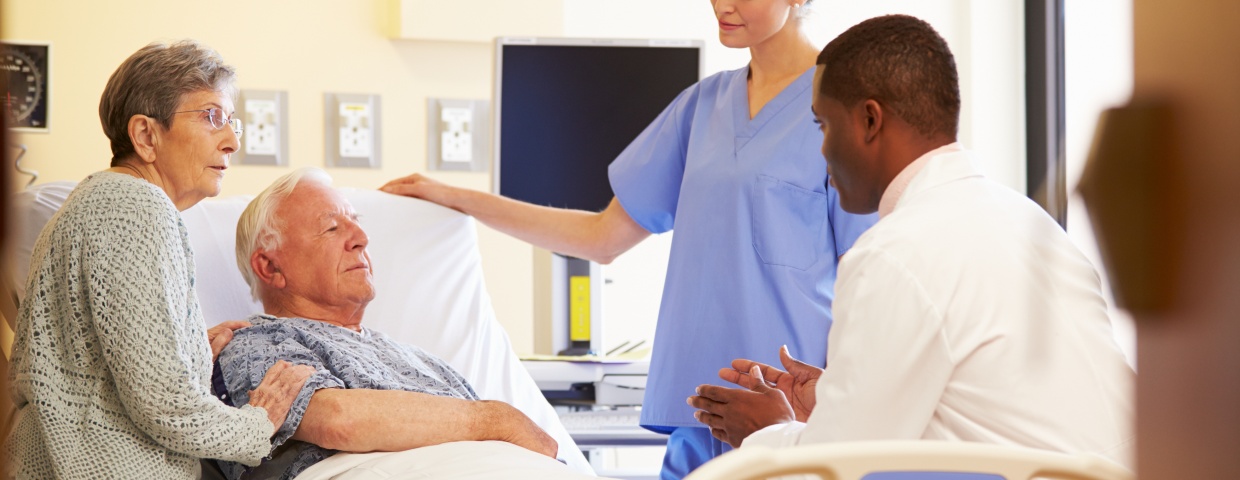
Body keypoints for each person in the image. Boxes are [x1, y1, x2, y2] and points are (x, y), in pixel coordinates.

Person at [380, 1, 877, 476]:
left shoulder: (842, 110)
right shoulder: (701, 107)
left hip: (789, 410)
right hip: (699, 404)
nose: (721, 5)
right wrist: (458, 199)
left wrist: (838, 397)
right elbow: (604, 236)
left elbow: (868, 275)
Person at [686, 14, 1136, 469]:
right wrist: (838, 395)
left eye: (822, 126)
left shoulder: (892, 253)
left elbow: (834, 467)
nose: (820, 151)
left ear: (868, 120)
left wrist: (768, 433)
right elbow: (989, 401)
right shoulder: (1026, 221)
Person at [4, 41, 314, 478]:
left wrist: (188, 353)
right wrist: (257, 425)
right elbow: (166, 406)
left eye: (232, 122)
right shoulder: (134, 208)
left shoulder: (101, 202)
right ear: (146, 135)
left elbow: (102, 370)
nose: (231, 142)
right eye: (212, 117)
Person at [214, 168, 587, 480]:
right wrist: (495, 419)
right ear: (271, 267)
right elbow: (337, 420)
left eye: (356, 225)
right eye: (331, 229)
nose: (361, 239)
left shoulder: (425, 362)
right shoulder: (255, 344)